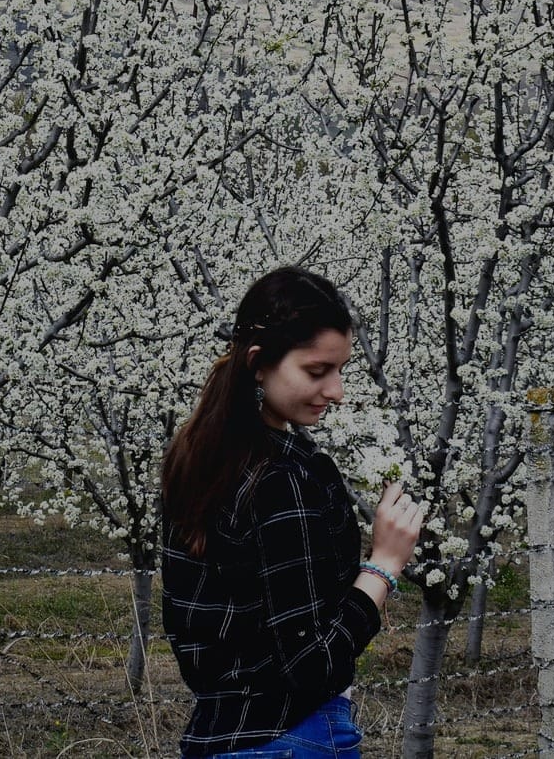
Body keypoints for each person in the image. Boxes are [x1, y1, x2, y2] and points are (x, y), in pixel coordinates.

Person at [161, 266, 427, 757]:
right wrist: (384, 565)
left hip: (216, 737)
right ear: (259, 363)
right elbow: (313, 663)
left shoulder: (197, 457)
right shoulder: (279, 480)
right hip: (294, 736)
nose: (337, 391)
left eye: (341, 369)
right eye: (316, 371)